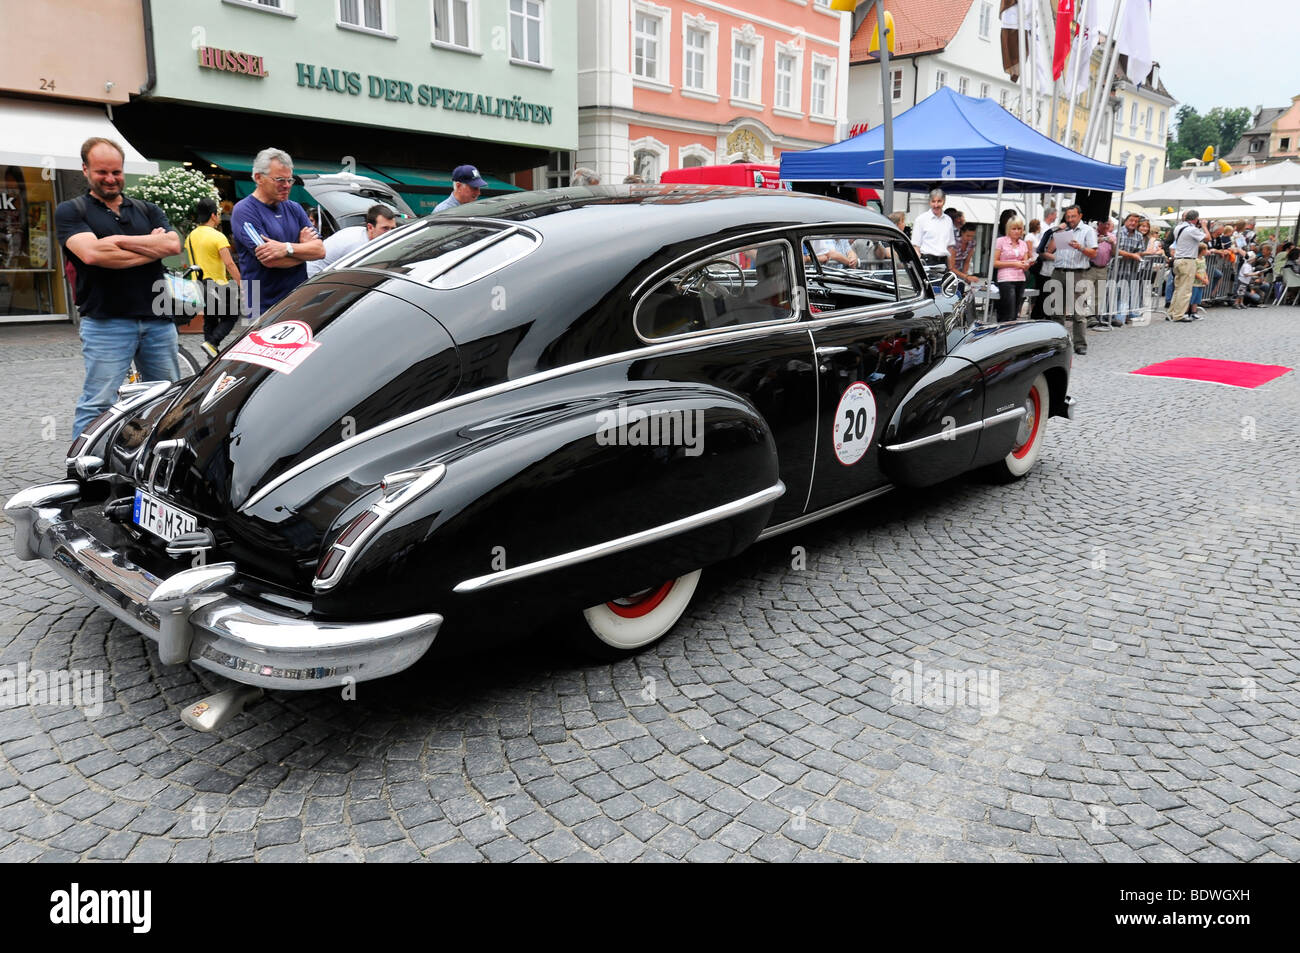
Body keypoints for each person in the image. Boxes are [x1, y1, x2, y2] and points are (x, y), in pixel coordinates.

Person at [56, 138, 183, 437]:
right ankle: (83, 472)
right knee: (98, 403)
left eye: (116, 171)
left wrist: (118, 242)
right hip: (106, 322)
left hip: (158, 320)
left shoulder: (148, 209)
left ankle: (157, 462)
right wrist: (151, 246)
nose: (111, 179)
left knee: (167, 399)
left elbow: (173, 244)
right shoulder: (72, 211)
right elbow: (92, 254)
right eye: (102, 172)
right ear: (85, 170)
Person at [230, 147, 324, 319]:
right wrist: (304, 249)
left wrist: (286, 248)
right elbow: (271, 260)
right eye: (280, 180)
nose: (287, 185)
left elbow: (320, 251)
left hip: (298, 301)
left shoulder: (294, 208)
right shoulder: (244, 210)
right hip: (263, 309)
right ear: (259, 177)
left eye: (290, 180)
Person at [186, 196, 243, 358]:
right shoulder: (217, 236)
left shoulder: (191, 236)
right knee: (231, 316)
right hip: (217, 284)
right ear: (213, 215)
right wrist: (241, 284)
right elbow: (230, 264)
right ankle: (213, 343)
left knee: (210, 319)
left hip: (198, 285)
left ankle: (211, 352)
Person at [1043, 204, 1097, 354]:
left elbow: (1093, 254)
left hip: (1078, 273)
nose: (1070, 219)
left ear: (1080, 216)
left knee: (1078, 311)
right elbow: (1049, 250)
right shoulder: (1064, 229)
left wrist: (1080, 247)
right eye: (1068, 217)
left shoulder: (1088, 230)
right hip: (1059, 271)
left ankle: (1080, 344)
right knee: (1056, 310)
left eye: (1073, 216)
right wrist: (1057, 232)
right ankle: (1059, 343)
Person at [306, 204, 399, 277]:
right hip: (313, 277)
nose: (389, 233)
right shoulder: (356, 244)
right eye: (385, 228)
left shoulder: (364, 236)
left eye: (393, 228)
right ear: (370, 227)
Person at [1168, 209, 1206, 322]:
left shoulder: (1178, 227)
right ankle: (1179, 315)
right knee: (1185, 290)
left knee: (1178, 288)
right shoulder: (1191, 229)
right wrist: (1204, 226)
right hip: (1188, 260)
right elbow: (1207, 238)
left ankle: (1171, 312)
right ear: (1195, 219)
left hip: (1178, 260)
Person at [993, 216, 1032, 322]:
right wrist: (1014, 264)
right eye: (1013, 228)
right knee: (1008, 313)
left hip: (1020, 278)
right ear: (1008, 229)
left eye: (1019, 228)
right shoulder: (1000, 241)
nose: (1017, 231)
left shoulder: (1023, 244)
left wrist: (1027, 264)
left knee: (1014, 314)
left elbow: (1025, 262)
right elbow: (994, 263)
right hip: (1006, 279)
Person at [913, 188, 953, 269]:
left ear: (944, 201)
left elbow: (950, 247)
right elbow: (916, 246)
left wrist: (951, 268)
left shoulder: (948, 220)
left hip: (944, 262)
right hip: (927, 262)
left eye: (939, 201)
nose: (936, 205)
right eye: (933, 201)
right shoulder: (921, 219)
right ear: (929, 202)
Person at [1087, 219, 1116, 329]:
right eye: (1104, 223)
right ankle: (1086, 316)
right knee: (1086, 292)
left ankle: (1094, 316)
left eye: (1108, 224)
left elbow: (1113, 253)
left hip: (1103, 268)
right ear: (1099, 224)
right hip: (1090, 266)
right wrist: (1100, 240)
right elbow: (1088, 247)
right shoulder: (1092, 234)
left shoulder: (1112, 236)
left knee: (1098, 294)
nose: (1106, 226)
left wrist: (1113, 244)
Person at [948, 222, 979, 288]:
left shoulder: (972, 243)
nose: (969, 238)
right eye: (967, 236)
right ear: (962, 233)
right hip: (948, 271)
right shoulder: (954, 243)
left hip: (959, 270)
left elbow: (967, 261)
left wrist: (965, 276)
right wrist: (966, 276)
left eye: (972, 236)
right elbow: (951, 267)